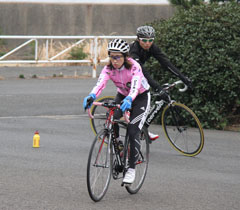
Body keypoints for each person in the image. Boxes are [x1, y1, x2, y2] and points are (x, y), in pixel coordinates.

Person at [83, 39, 151, 184]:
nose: (114, 60)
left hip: (140, 96)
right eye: (111, 56)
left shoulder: (134, 66)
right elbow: (100, 84)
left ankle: (131, 169)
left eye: (117, 57)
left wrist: (130, 99)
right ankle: (119, 144)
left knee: (133, 130)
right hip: (122, 95)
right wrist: (91, 96)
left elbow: (135, 87)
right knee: (111, 116)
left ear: (125, 57)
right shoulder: (108, 68)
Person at [129, 25, 192, 141]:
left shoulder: (152, 47)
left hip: (138, 73)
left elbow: (166, 63)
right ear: (138, 39)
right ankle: (137, 127)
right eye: (144, 40)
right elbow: (143, 73)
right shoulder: (134, 51)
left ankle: (142, 128)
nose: (147, 43)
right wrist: (157, 88)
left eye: (150, 40)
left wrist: (183, 77)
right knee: (141, 97)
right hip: (128, 74)